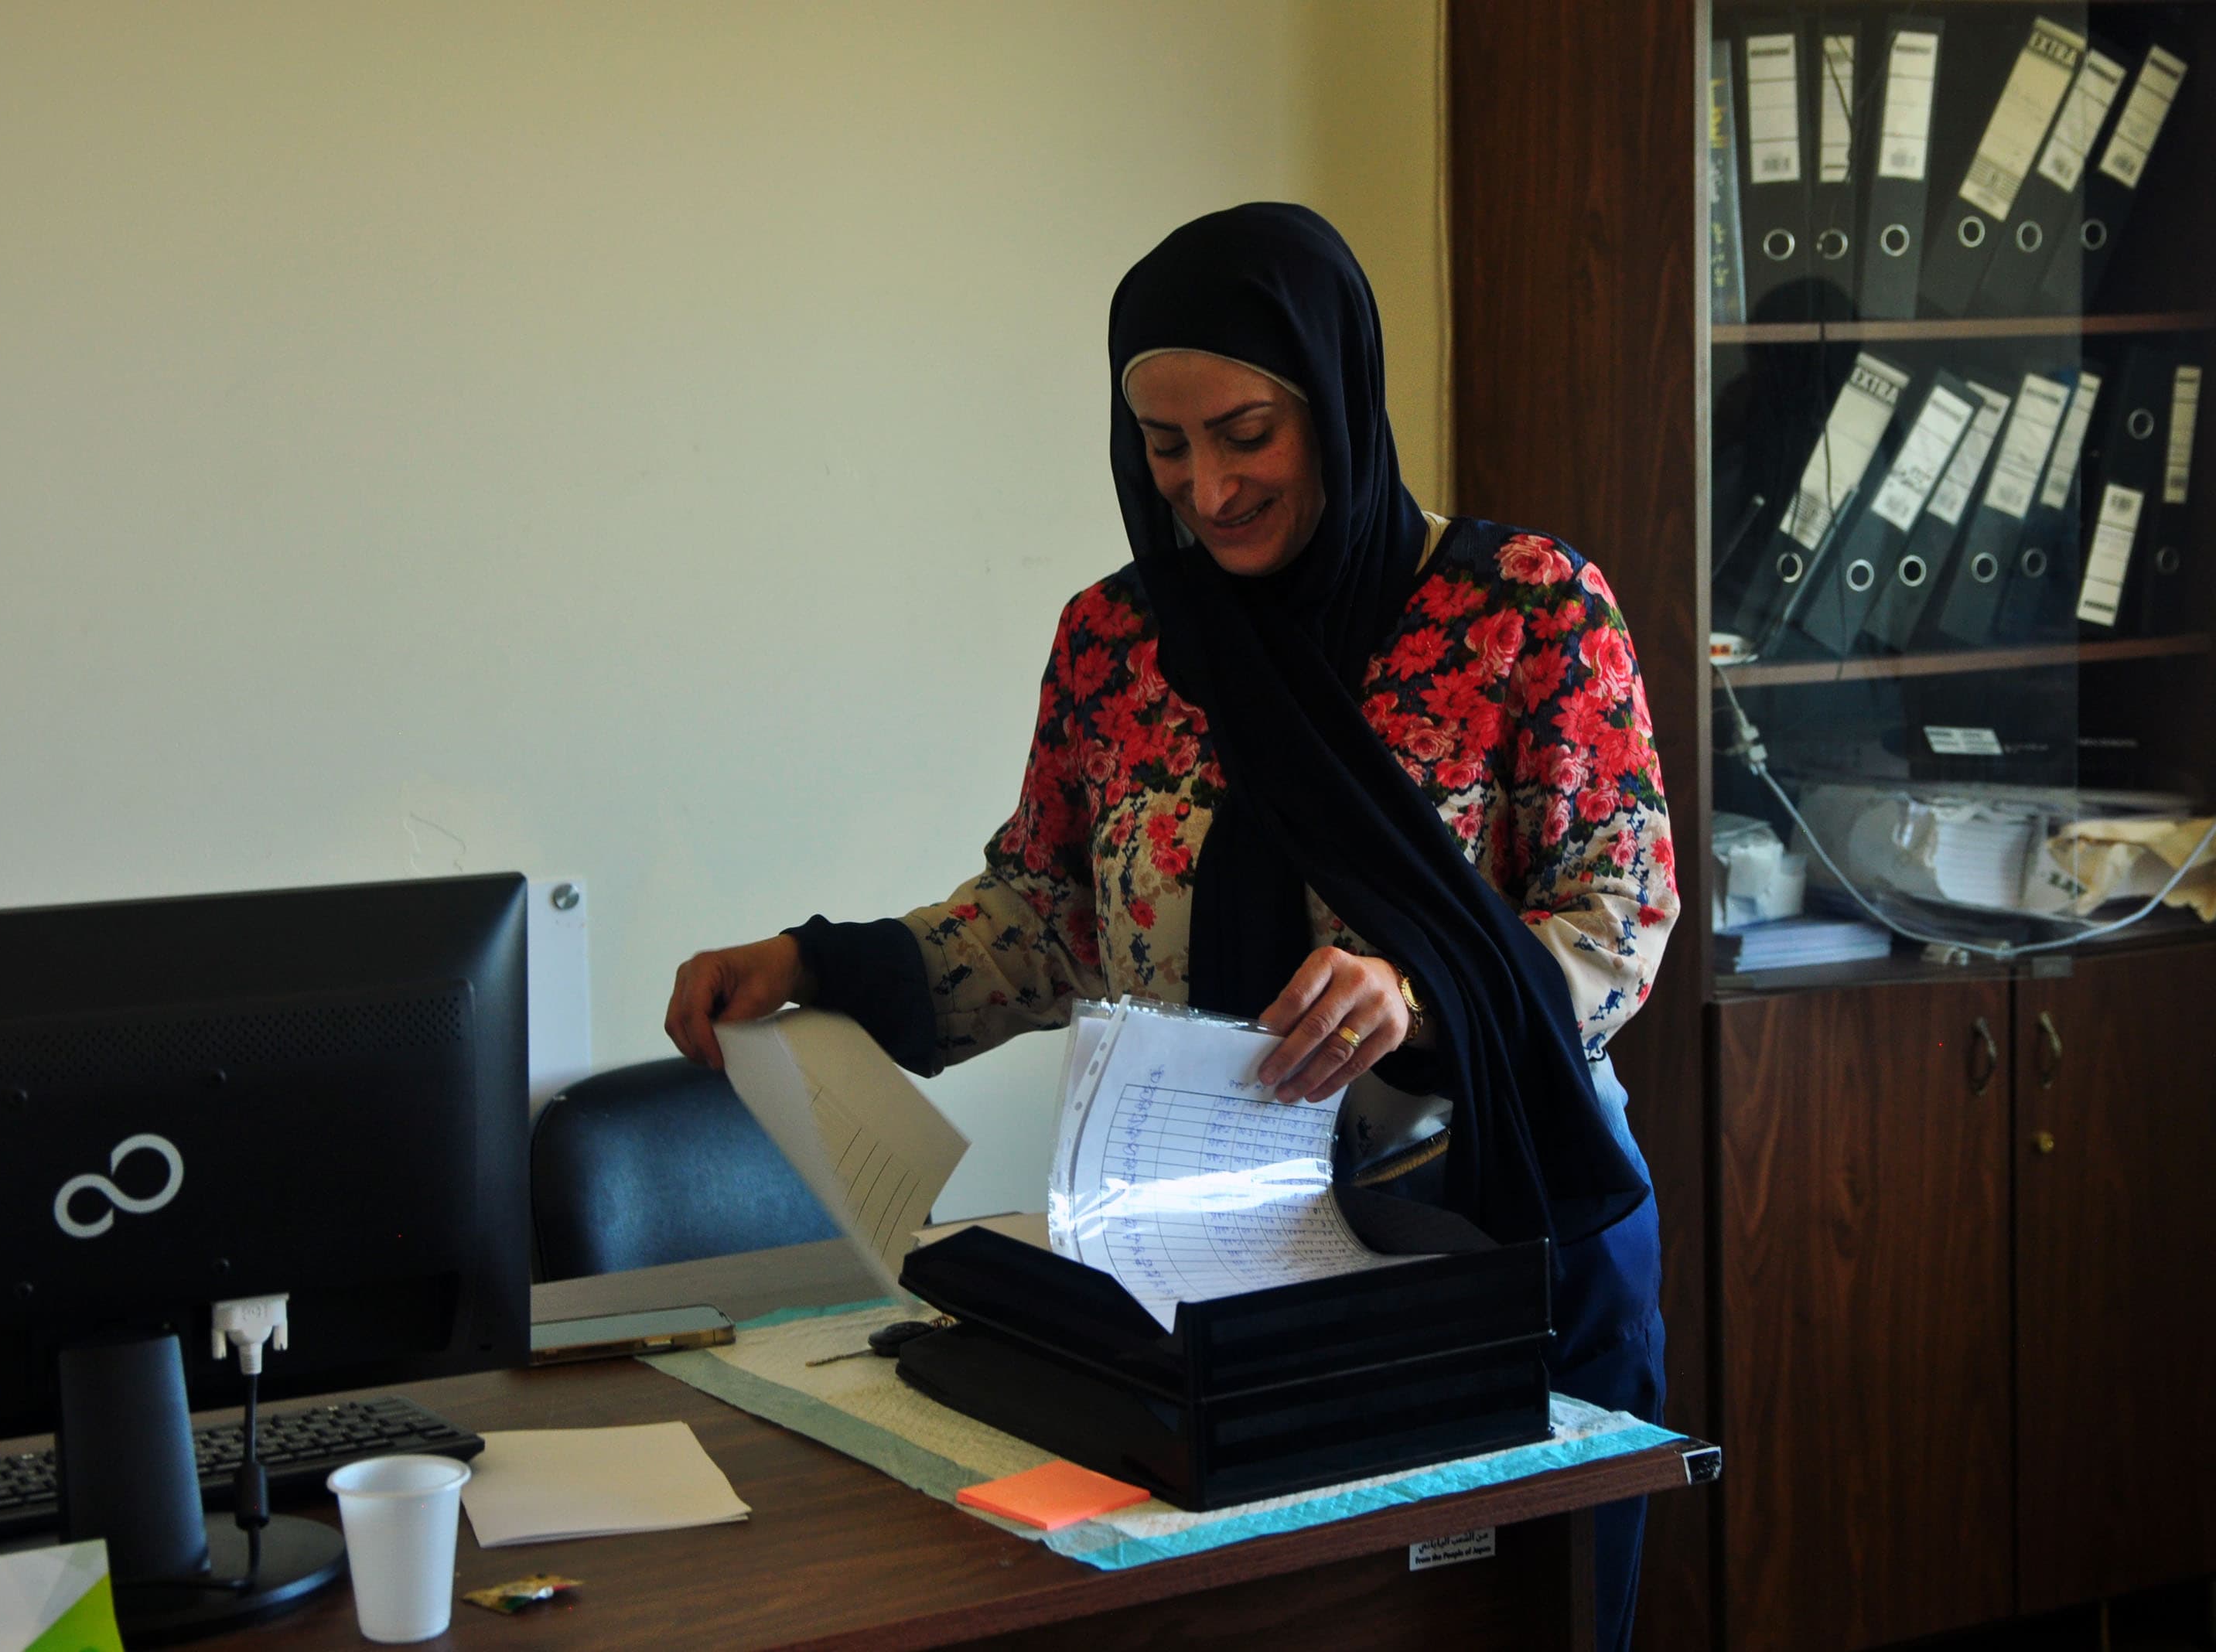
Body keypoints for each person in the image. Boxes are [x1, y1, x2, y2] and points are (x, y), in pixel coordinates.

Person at [664, 203, 1677, 1652]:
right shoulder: (1120, 640)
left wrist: (1423, 989)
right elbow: (1049, 911)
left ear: (1335, 397)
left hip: (1496, 1220)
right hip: (1218, 1256)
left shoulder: (1522, 610)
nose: (1206, 487)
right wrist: (819, 962)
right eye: (1163, 445)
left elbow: (1623, 910)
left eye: (1246, 433)